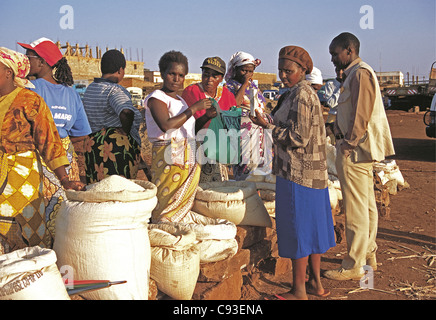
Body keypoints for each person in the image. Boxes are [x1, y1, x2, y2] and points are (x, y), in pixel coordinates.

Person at [250, 46, 335, 300]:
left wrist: (268, 128)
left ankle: (299, 291)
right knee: (312, 231)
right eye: (281, 71)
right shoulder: (298, 94)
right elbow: (292, 125)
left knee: (299, 231)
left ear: (303, 70)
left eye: (289, 71)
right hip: (313, 175)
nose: (283, 76)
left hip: (298, 174)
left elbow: (298, 137)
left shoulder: (301, 95)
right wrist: (268, 121)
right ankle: (315, 285)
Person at [323, 32, 395, 281]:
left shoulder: (360, 73)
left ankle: (354, 264)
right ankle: (368, 254)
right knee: (366, 206)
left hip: (355, 150)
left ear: (349, 50)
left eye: (335, 53)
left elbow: (361, 114)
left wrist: (348, 144)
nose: (333, 59)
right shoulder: (355, 73)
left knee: (355, 209)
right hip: (361, 150)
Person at [0, 48, 85, 254]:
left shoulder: (30, 101)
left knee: (23, 229)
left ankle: (31, 273)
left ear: (9, 72)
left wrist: (65, 180)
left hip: (22, 177)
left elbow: (49, 140)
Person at [18, 37, 91, 241]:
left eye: (29, 56)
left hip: (39, 157)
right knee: (64, 210)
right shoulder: (71, 94)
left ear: (41, 62)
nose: (25, 61)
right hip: (66, 160)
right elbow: (82, 134)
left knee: (37, 211)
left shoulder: (30, 89)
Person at [145, 51, 211, 223]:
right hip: (168, 159)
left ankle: (176, 227)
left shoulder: (181, 101)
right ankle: (163, 226)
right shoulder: (156, 98)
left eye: (181, 75)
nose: (176, 79)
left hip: (187, 158)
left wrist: (206, 116)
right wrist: (194, 109)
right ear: (162, 74)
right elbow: (166, 125)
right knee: (167, 202)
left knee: (182, 204)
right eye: (172, 74)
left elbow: (190, 128)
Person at [82, 49, 142, 184]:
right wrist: (125, 132)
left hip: (92, 146)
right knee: (118, 189)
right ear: (120, 70)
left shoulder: (91, 88)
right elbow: (126, 112)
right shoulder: (115, 90)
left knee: (97, 188)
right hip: (114, 149)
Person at [182, 56, 237, 182]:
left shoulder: (228, 96)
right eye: (206, 75)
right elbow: (187, 127)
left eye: (214, 76)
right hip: (197, 151)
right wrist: (206, 116)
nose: (209, 79)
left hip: (220, 152)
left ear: (221, 78)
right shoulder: (191, 92)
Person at [225, 51, 272, 180]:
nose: (247, 74)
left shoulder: (254, 86)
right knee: (246, 167)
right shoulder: (230, 86)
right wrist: (245, 84)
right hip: (244, 132)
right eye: (243, 71)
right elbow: (234, 104)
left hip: (260, 129)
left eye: (250, 71)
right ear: (235, 70)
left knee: (261, 170)